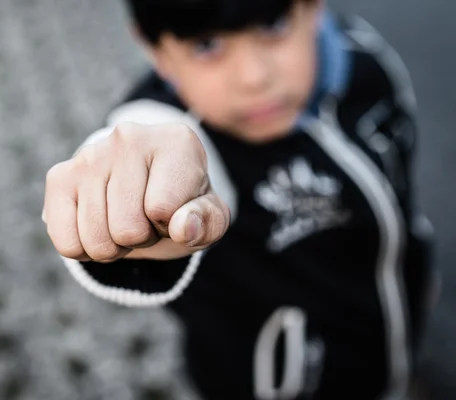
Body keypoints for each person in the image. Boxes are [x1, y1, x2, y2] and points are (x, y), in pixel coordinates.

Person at [42, 0, 439, 398]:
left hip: (398, 340)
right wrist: (132, 196)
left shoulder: (368, 61)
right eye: (207, 46)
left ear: (313, 7)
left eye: (274, 24)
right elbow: (163, 155)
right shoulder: (186, 134)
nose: (254, 77)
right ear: (156, 51)